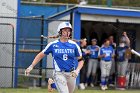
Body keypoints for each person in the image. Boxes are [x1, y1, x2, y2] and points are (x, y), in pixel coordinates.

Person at [25, 22, 84, 93]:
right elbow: (40, 55)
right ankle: (54, 83)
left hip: (71, 73)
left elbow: (81, 60)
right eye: (65, 30)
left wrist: (77, 71)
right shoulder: (53, 45)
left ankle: (52, 84)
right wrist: (31, 66)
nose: (67, 32)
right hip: (59, 73)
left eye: (69, 30)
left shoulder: (74, 45)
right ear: (60, 31)